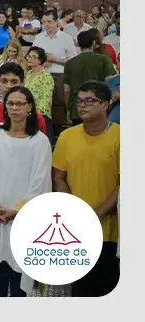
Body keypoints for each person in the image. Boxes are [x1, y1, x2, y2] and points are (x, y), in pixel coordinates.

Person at [0, 86, 52, 297]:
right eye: (10, 103)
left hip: (23, 217)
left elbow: (40, 181)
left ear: (30, 108)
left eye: (20, 104)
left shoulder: (40, 141)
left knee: (19, 282)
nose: (15, 108)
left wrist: (17, 211)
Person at [52, 80, 119, 297]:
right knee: (81, 291)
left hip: (110, 231)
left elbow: (123, 185)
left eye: (90, 100)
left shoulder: (120, 137)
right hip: (77, 229)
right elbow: (58, 177)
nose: (82, 105)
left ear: (106, 104)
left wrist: (95, 214)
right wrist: (75, 211)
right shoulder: (67, 136)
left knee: (108, 289)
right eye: (79, 101)